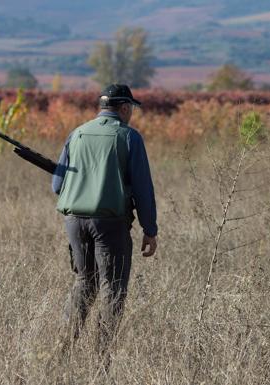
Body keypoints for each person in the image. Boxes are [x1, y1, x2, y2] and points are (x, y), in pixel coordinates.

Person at [52, 84, 158, 358]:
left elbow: (56, 185)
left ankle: (62, 350)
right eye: (131, 109)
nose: (131, 114)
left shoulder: (77, 134)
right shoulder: (129, 138)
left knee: (84, 282)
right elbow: (143, 189)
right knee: (113, 289)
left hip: (74, 222)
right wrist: (150, 229)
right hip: (110, 224)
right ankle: (101, 358)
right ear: (124, 108)